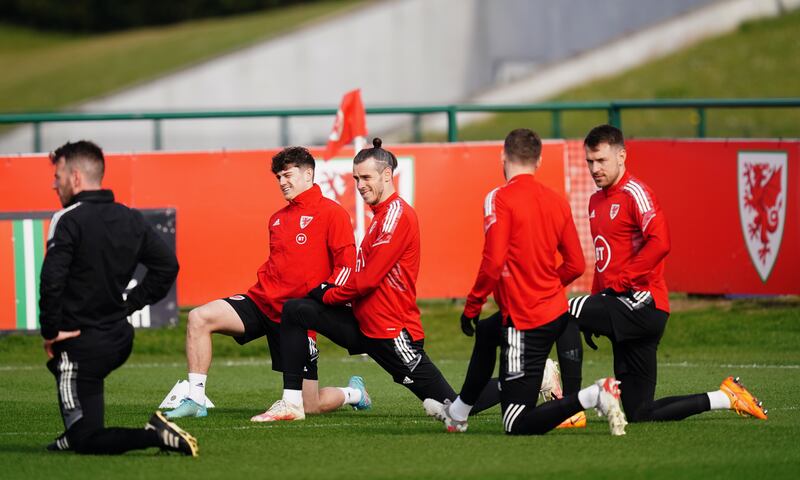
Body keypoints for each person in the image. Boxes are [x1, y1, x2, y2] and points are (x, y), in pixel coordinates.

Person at [259, 138, 497, 421]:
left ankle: (531, 375)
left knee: (456, 405)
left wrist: (327, 294)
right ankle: (292, 402)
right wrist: (321, 294)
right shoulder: (381, 217)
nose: (360, 185)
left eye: (366, 177)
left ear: (387, 175)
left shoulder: (398, 215)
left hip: (391, 332)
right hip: (365, 325)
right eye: (356, 178)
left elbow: (367, 281)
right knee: (296, 310)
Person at [424, 128, 628, 436]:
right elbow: (575, 264)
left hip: (525, 321)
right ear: (539, 160)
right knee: (488, 334)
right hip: (556, 313)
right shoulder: (556, 201)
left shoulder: (498, 198)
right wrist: (545, 286)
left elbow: (492, 263)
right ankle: (459, 413)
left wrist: (472, 306)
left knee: (515, 423)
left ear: (503, 157)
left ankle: (593, 394)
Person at [567, 124, 768, 423]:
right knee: (639, 412)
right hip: (625, 307)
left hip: (641, 302)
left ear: (622, 156)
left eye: (602, 160)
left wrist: (620, 284)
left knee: (565, 308)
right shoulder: (596, 201)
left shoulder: (636, 192)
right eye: (590, 162)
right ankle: (725, 397)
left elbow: (661, 242)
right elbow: (602, 258)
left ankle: (569, 411)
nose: (595, 168)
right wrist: (598, 301)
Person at [164, 146, 371, 421]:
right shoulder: (277, 219)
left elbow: (346, 267)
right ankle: (196, 399)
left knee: (311, 406)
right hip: (261, 303)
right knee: (199, 318)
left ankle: (354, 393)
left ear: (308, 174)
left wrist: (320, 303)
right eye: (278, 177)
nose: (282, 182)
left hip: (296, 316)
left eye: (287, 175)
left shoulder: (333, 214)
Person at [41, 140, 197, 455]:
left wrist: (50, 331)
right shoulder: (131, 218)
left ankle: (154, 435)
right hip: (118, 339)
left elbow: (52, 279)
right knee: (83, 408)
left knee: (87, 440)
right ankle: (73, 432)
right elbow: (168, 266)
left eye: (57, 177)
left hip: (80, 344)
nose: (53, 184)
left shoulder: (68, 219)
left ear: (74, 178)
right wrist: (130, 304)